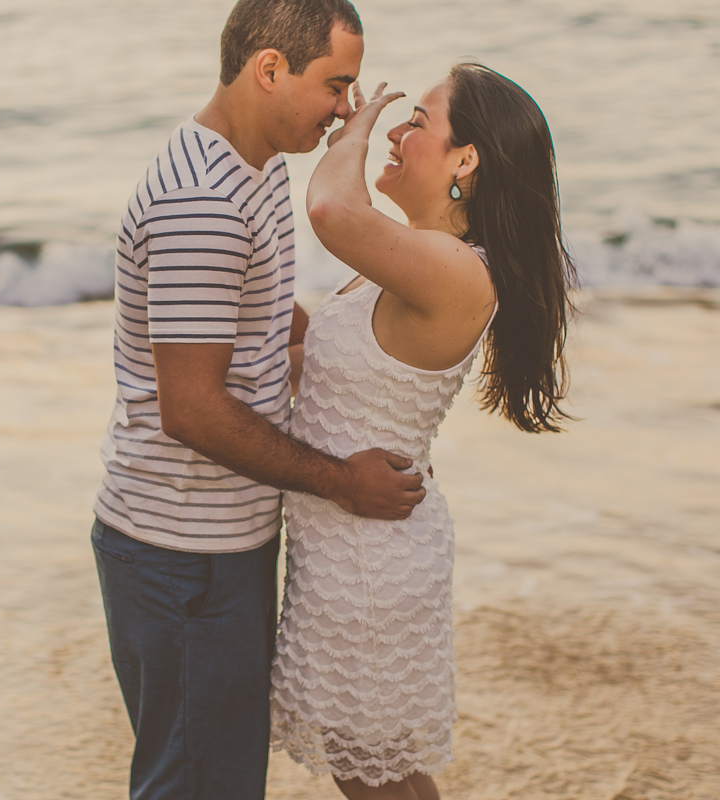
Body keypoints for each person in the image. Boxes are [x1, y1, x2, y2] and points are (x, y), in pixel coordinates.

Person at [89, 1, 429, 798]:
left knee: (222, 776)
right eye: (335, 85)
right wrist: (341, 481)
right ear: (270, 69)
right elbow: (192, 408)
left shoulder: (258, 165)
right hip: (181, 555)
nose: (345, 109)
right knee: (198, 784)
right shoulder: (202, 202)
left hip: (218, 545)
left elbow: (265, 314)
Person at [270, 65, 576, 800]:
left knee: (370, 772)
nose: (397, 132)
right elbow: (320, 371)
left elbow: (331, 209)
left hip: (367, 563)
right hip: (354, 547)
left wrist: (354, 130)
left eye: (417, 121)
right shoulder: (412, 260)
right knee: (385, 771)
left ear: (465, 160)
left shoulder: (455, 269)